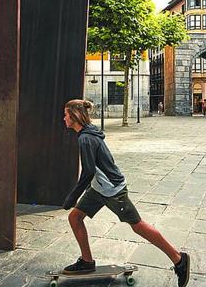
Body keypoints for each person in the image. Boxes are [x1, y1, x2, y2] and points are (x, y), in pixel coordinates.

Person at [61, 100, 190, 287]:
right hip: (99, 188)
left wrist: (71, 197)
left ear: (74, 116)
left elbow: (88, 171)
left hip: (113, 190)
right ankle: (87, 262)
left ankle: (178, 259)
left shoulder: (85, 138)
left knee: (137, 226)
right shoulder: (87, 134)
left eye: (66, 114)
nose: (63, 118)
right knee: (75, 217)